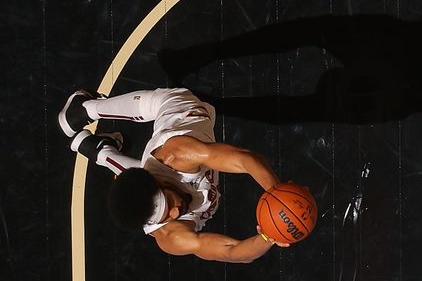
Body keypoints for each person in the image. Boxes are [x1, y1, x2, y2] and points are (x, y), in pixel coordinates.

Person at [59, 87, 290, 263]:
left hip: (180, 114)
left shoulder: (178, 155)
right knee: (133, 184)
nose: (177, 211)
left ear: (158, 180)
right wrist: (269, 236)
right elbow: (234, 252)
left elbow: (245, 159)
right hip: (152, 178)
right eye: (165, 215)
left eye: (169, 202)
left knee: (164, 101)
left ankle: (85, 108)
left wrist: (279, 196)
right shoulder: (170, 235)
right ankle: (96, 149)